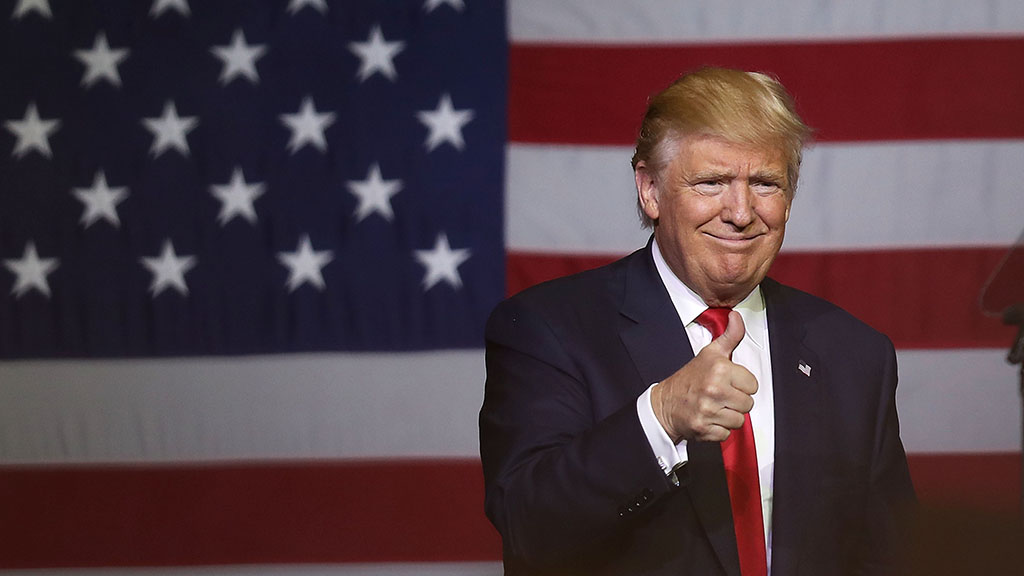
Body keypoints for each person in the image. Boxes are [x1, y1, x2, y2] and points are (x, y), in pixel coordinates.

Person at [479, 67, 916, 575]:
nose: (741, 211)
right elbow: (529, 526)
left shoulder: (854, 352)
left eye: (765, 183)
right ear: (650, 190)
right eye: (712, 182)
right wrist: (660, 417)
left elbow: (891, 554)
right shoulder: (547, 328)